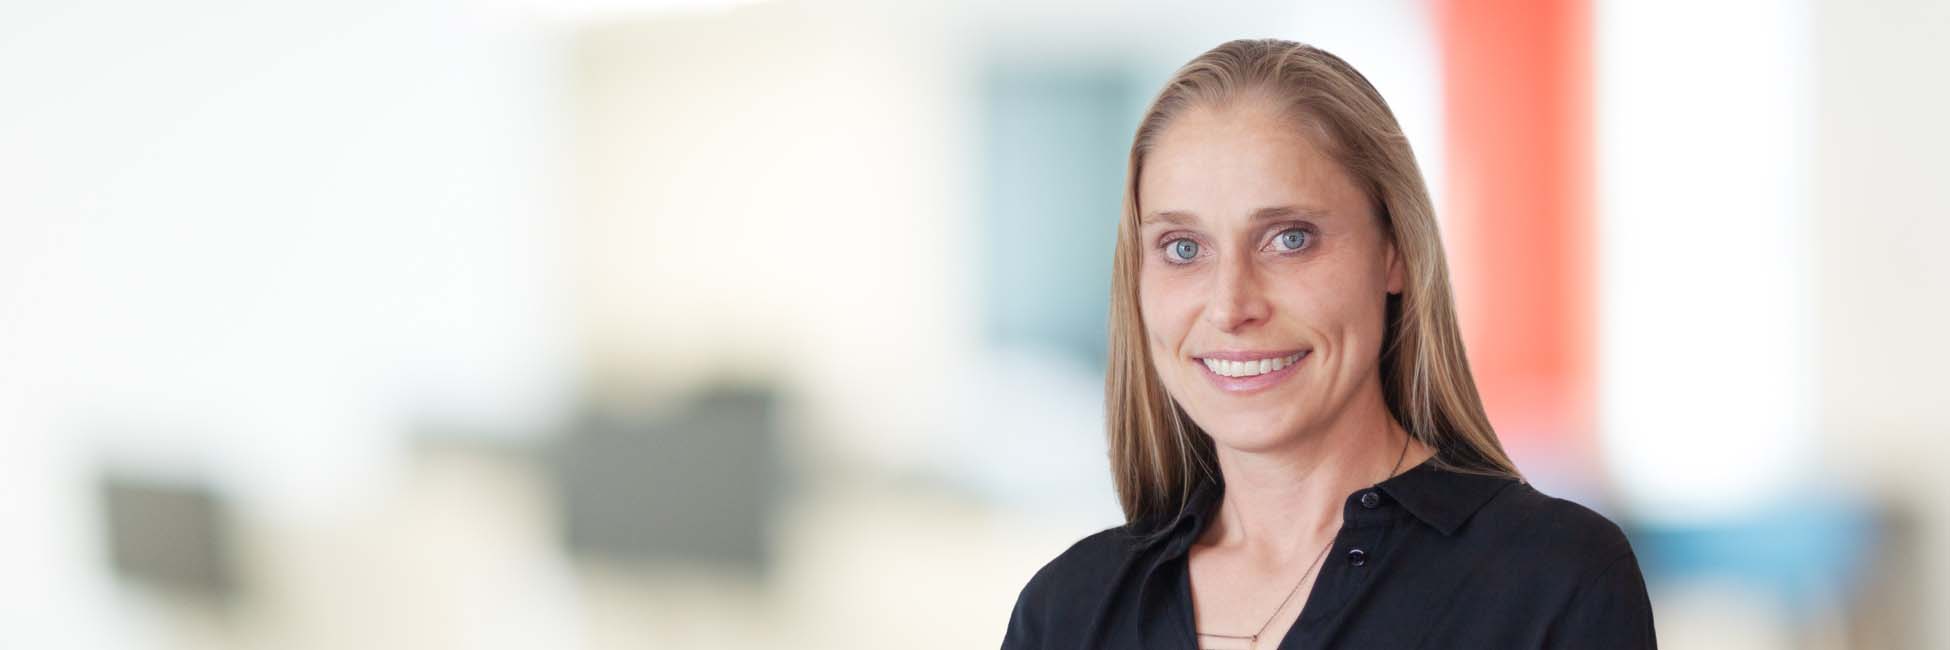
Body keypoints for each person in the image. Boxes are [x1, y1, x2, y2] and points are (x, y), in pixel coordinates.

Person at [1000, 39, 1655, 649]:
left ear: (1393, 251)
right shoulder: (1068, 612)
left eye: (1290, 238)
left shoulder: (1552, 580)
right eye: (1183, 248)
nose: (1231, 306)